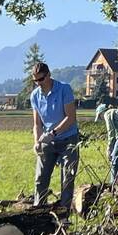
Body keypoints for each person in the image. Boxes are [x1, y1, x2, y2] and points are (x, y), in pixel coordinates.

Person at [30, 61, 80, 214]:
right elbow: (37, 124)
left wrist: (52, 134)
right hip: (48, 140)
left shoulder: (64, 89)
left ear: (49, 75)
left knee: (67, 178)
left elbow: (70, 117)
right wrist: (37, 142)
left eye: (41, 79)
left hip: (68, 138)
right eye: (35, 80)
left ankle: (64, 214)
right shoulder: (35, 96)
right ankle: (39, 212)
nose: (38, 83)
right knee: (41, 178)